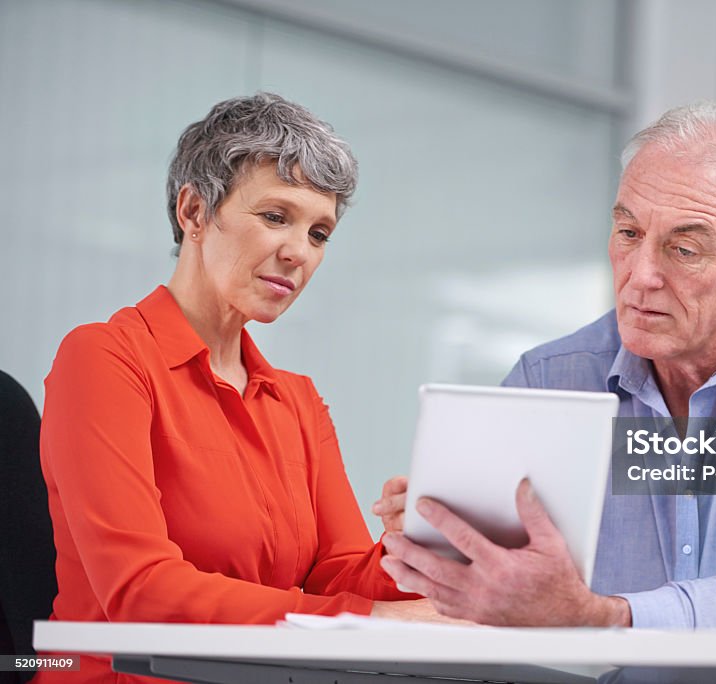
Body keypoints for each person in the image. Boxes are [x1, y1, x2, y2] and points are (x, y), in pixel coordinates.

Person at [375, 101, 716, 629]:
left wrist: (596, 615)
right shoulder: (550, 379)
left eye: (684, 249)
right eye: (629, 233)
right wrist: (440, 541)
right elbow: (498, 592)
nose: (640, 277)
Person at [38, 93, 438, 684]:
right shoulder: (104, 358)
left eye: (320, 232)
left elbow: (337, 576)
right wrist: (371, 617)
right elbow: (140, 591)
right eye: (276, 217)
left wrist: (409, 552)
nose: (298, 251)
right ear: (194, 212)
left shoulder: (298, 400)